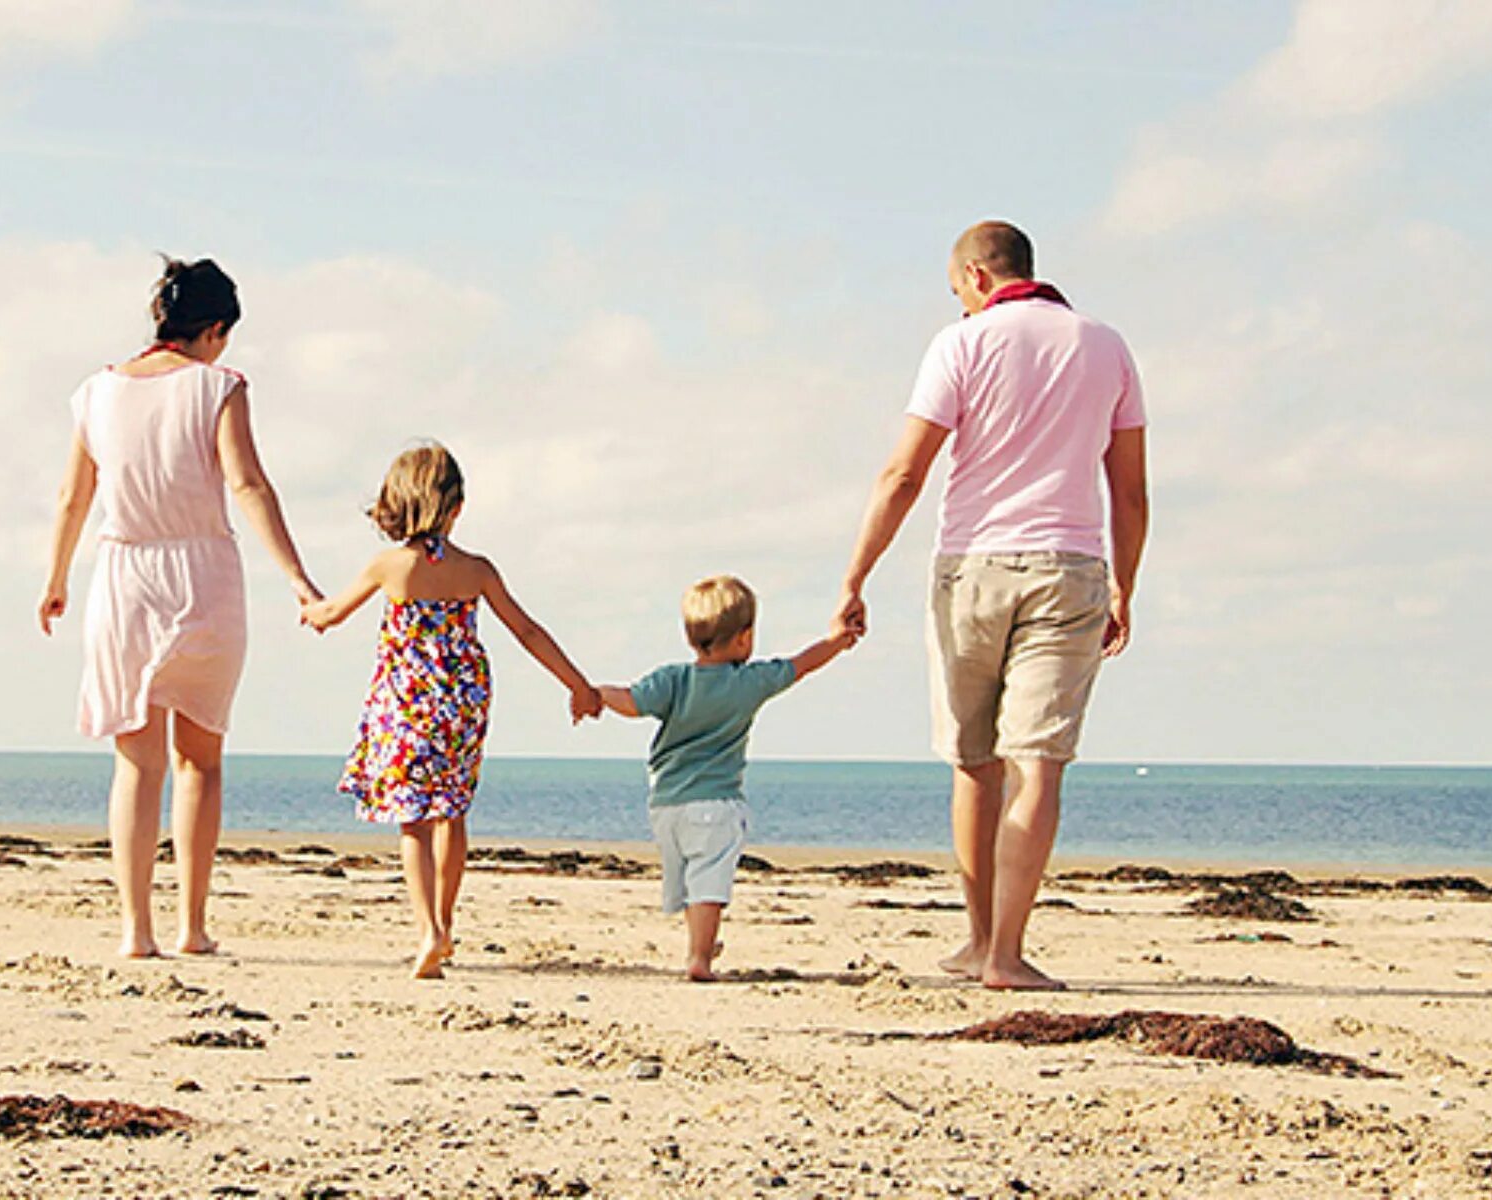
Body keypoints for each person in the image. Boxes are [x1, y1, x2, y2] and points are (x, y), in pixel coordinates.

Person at [833, 220, 1149, 991]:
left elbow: (904, 474)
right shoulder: (1105, 345)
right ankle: (1005, 953)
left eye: (956, 293)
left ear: (977, 277)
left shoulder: (961, 344)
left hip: (972, 567)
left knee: (974, 763)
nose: (960, 306)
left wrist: (856, 576)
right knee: (1037, 764)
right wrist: (1125, 586)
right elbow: (1131, 491)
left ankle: (980, 943)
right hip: (1071, 564)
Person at [40, 256, 322, 959]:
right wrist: (298, 578)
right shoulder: (218, 386)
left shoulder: (95, 392)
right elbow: (248, 484)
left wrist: (56, 577)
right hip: (202, 571)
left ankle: (135, 930)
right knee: (201, 759)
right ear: (215, 329)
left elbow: (73, 497)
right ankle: (191, 928)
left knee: (137, 762)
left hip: (121, 572)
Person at [301, 442, 603, 979]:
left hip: (406, 705)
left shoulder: (389, 566)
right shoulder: (476, 570)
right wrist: (577, 684)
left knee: (412, 821)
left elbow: (333, 612)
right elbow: (527, 631)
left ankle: (428, 932)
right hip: (462, 705)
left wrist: (312, 609)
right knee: (452, 813)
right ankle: (445, 921)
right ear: (456, 507)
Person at [596, 576, 855, 981]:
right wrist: (838, 641)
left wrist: (593, 693)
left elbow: (629, 701)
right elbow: (801, 664)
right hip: (716, 802)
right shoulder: (749, 682)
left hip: (665, 804)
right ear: (744, 638)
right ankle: (700, 957)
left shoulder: (672, 680)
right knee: (710, 880)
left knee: (688, 881)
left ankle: (700, 944)